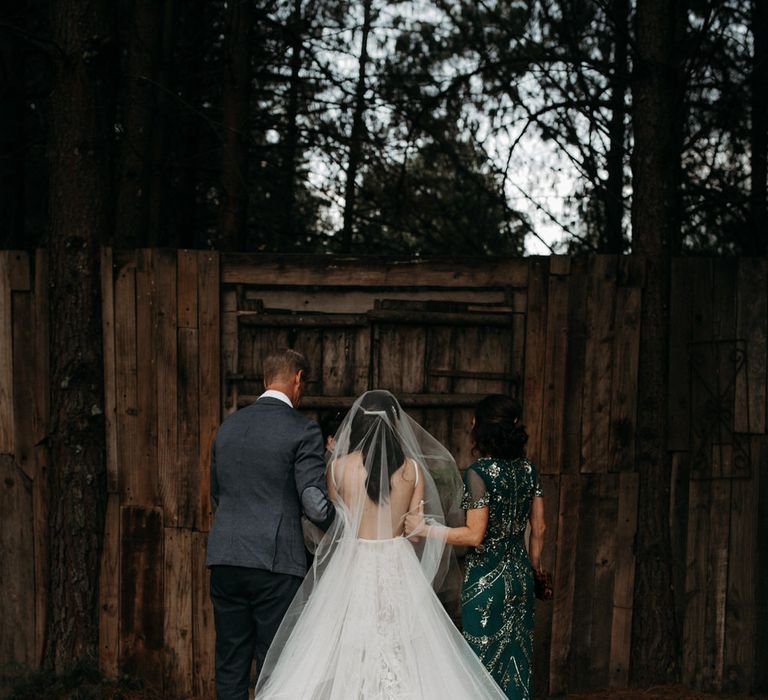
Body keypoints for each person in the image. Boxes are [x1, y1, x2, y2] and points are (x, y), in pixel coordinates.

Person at [254, 390, 507, 699]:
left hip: (352, 563)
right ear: (396, 425)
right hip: (397, 565)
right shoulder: (411, 470)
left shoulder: (337, 468)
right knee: (401, 644)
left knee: (348, 642)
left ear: (356, 425)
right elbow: (415, 532)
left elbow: (336, 526)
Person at [205, 348, 336, 700]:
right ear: (298, 379)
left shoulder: (227, 428)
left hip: (225, 558)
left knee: (230, 662)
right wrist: (341, 524)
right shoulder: (303, 429)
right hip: (274, 562)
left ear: (265, 380)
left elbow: (217, 496)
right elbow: (314, 503)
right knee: (274, 664)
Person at [407, 394, 545, 700]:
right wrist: (535, 567)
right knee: (517, 661)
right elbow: (540, 527)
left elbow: (474, 535)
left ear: (479, 428)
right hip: (520, 577)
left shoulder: (479, 473)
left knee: (480, 663)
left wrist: (425, 528)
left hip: (487, 581)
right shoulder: (530, 470)